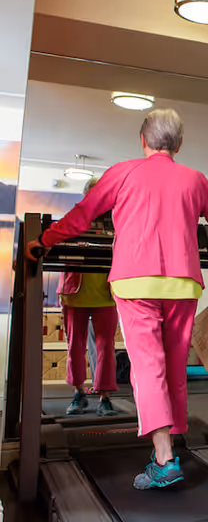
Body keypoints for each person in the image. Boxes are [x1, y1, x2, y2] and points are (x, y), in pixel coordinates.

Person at [27, 108, 208, 491]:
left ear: (142, 140)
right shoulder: (195, 180)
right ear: (178, 144)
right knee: (174, 367)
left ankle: (164, 459)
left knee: (148, 369)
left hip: (135, 283)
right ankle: (169, 446)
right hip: (182, 285)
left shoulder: (122, 172)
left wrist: (45, 241)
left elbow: (82, 216)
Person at [59, 178, 119, 417]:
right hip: (75, 293)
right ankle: (78, 393)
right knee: (76, 346)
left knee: (106, 347)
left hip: (106, 294)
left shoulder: (115, 221)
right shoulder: (74, 217)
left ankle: (104, 397)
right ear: (87, 196)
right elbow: (59, 241)